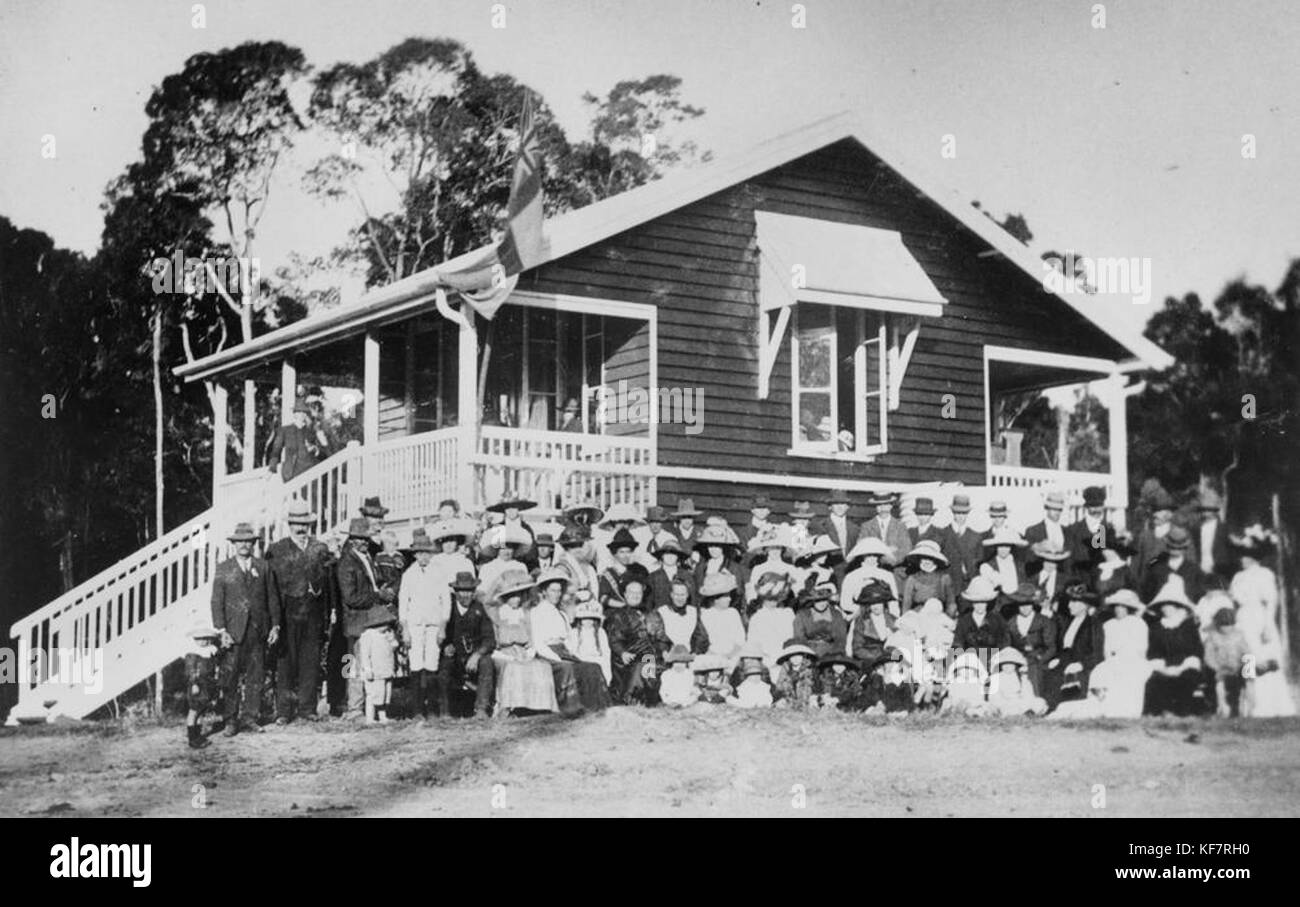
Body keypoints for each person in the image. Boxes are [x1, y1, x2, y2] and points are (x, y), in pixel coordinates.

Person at [211, 522, 282, 735]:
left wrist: (275, 626)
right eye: (240, 541)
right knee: (230, 677)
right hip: (233, 632)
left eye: (248, 541)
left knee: (255, 676)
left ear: (253, 544)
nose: (244, 545)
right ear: (234, 544)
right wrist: (221, 630)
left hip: (257, 630)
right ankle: (230, 720)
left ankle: (251, 717)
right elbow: (216, 601)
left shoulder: (263, 567)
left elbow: (273, 598)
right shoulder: (224, 568)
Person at [264, 502, 331, 724]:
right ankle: (284, 711)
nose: (301, 528)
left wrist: (321, 597)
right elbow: (270, 586)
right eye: (296, 524)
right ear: (290, 525)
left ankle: (307, 708)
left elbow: (328, 581)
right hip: (287, 612)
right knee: (285, 662)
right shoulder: (276, 549)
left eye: (304, 524)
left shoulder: (320, 548)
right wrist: (274, 619)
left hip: (312, 611)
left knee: (310, 661)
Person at [1229, 527, 1295, 717]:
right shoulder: (1238, 577)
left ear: (1254, 557)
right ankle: (1249, 704)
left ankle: (1269, 704)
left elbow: (1271, 602)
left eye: (1246, 556)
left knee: (1263, 657)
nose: (1242, 559)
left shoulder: (1265, 574)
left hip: (1259, 619)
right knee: (1247, 657)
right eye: (1241, 555)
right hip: (1243, 619)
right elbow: (1234, 600)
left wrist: (1267, 626)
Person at [337, 518, 396, 721]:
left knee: (367, 663)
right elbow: (350, 597)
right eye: (359, 539)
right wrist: (378, 596)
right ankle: (354, 708)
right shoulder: (346, 562)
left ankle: (368, 706)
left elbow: (372, 584)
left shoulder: (367, 558)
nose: (364, 542)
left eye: (365, 539)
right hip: (356, 620)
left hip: (369, 619)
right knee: (354, 665)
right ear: (351, 539)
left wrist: (383, 589)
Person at [532, 567, 603, 716]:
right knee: (566, 668)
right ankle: (571, 709)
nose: (557, 594)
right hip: (547, 654)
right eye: (553, 590)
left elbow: (569, 640)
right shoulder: (537, 612)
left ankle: (595, 708)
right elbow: (538, 642)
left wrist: (574, 656)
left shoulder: (562, 614)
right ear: (544, 591)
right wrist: (557, 658)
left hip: (564, 652)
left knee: (592, 667)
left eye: (559, 591)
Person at [399, 529, 451, 718]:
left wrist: (443, 627)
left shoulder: (439, 572)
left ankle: (432, 709)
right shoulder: (409, 574)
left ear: (431, 553)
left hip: (433, 625)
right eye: (419, 553)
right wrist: (405, 629)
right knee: (415, 665)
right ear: (414, 554)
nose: (423, 557)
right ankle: (417, 710)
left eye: (426, 553)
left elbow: (446, 601)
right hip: (414, 625)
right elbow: (403, 603)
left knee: (431, 665)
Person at [491, 570, 558, 716]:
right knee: (513, 668)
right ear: (505, 597)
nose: (516, 599)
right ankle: (509, 706)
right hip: (503, 654)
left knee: (542, 666)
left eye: (518, 595)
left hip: (523, 652)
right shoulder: (497, 614)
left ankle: (539, 706)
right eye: (512, 596)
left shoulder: (525, 614)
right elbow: (494, 641)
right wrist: (507, 654)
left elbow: (531, 637)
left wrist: (529, 651)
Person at [1144, 580, 1209, 717]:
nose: (1165, 608)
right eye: (1163, 605)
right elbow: (1153, 652)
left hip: (1186, 666)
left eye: (1169, 605)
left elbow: (1195, 651)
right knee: (1155, 680)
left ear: (1177, 606)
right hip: (1164, 666)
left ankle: (1181, 713)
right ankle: (1162, 713)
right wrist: (1164, 669)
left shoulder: (1189, 627)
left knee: (1186, 679)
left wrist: (1181, 668)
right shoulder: (1156, 628)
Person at [437, 572, 497, 718]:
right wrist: (445, 646)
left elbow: (489, 638)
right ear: (455, 592)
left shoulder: (479, 609)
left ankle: (481, 708)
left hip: (473, 656)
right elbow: (439, 633)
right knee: (445, 666)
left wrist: (477, 654)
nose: (466, 595)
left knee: (487, 662)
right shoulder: (447, 609)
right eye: (462, 591)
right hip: (455, 657)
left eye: (469, 591)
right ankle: (444, 711)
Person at [604, 576, 670, 705]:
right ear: (625, 594)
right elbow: (615, 640)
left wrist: (664, 650)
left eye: (638, 592)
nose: (635, 595)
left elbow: (662, 637)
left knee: (663, 664)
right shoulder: (618, 616)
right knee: (644, 665)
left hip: (654, 656)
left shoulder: (653, 614)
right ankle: (633, 700)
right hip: (631, 658)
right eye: (631, 592)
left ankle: (658, 700)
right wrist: (622, 653)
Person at [1086, 589, 1150, 718]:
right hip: (1114, 660)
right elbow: (1107, 651)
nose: (1119, 609)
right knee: (1099, 672)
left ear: (1129, 608)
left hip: (1134, 660)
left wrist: (1133, 661)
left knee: (1131, 674)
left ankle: (1126, 711)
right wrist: (1110, 662)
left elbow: (1142, 649)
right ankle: (1101, 709)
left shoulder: (1138, 623)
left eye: (1123, 606)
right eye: (1116, 606)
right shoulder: (1109, 625)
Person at [1044, 584, 1101, 709]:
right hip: (1064, 663)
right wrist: (1057, 659)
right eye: (1070, 601)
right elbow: (1064, 647)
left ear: (1084, 605)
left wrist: (1081, 664)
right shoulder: (1068, 622)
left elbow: (1097, 653)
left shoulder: (1093, 624)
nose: (1069, 605)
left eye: (1074, 602)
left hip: (1082, 669)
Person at [1005, 582, 1056, 698]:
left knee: (1034, 679)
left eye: (1028, 604)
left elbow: (1051, 647)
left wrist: (1040, 658)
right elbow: (1007, 646)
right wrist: (1014, 661)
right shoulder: (1011, 623)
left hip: (1038, 662)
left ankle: (1036, 700)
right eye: (1021, 605)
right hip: (1017, 662)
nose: (1025, 608)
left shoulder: (1043, 621)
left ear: (1033, 604)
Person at [1203, 605, 1250, 718]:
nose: (1227, 628)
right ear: (1218, 624)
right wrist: (1217, 668)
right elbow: (1208, 657)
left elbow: (1247, 652)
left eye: (1229, 625)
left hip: (1237, 668)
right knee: (1219, 682)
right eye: (1223, 625)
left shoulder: (1239, 635)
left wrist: (1245, 668)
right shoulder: (1212, 637)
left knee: (1246, 679)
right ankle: (1222, 707)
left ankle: (1243, 707)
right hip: (1219, 669)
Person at [746, 572, 795, 679]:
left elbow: (792, 637)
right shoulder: (757, 618)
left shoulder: (787, 614)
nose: (773, 602)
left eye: (776, 598)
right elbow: (753, 644)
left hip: (786, 660)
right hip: (767, 663)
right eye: (770, 598)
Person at [1141, 525, 1206, 604]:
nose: (1176, 549)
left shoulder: (1194, 570)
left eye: (1179, 547)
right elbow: (1146, 595)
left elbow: (1200, 597)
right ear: (1167, 546)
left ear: (1185, 548)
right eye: (1173, 547)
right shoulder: (1156, 567)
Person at [183, 626, 222, 749]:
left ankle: (197, 734)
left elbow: (214, 667)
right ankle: (192, 738)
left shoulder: (211, 651)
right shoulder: (192, 653)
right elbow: (191, 671)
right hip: (197, 685)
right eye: (199, 639)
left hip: (206, 684)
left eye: (205, 638)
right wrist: (194, 683)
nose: (202, 641)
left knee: (200, 710)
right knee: (193, 710)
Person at [841, 537, 899, 618]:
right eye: (868, 555)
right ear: (862, 555)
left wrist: (894, 618)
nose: (872, 558)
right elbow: (845, 603)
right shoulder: (852, 576)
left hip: (884, 617)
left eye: (875, 555)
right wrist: (864, 609)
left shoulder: (887, 575)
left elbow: (894, 603)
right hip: (860, 617)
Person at [860, 492, 909, 587]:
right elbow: (862, 548)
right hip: (872, 571)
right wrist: (887, 550)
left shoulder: (900, 526)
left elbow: (906, 549)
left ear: (891, 506)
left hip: (895, 572)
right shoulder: (866, 527)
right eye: (879, 505)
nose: (882, 507)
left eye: (885, 504)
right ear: (875, 507)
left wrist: (891, 559)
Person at [698, 573, 746, 668]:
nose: (729, 599)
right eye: (726, 596)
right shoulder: (706, 615)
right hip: (712, 656)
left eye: (729, 595)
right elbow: (705, 641)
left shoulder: (733, 613)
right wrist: (715, 656)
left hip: (733, 656)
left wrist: (730, 655)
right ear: (716, 599)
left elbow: (740, 640)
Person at [1067, 485, 1117, 574]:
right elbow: (1069, 562)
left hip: (1102, 580)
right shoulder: (1074, 530)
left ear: (1103, 506)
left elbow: (1113, 562)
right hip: (1079, 579)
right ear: (1086, 507)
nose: (1096, 510)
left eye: (1099, 506)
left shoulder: (1109, 530)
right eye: (1093, 506)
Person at [359, 613, 400, 723]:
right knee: (373, 695)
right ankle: (370, 718)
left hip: (386, 670)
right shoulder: (368, 636)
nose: (387, 627)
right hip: (374, 672)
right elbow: (365, 654)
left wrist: (392, 639)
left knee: (385, 695)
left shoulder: (387, 634)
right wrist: (367, 669)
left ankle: (383, 716)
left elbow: (394, 647)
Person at [792, 582, 849, 659]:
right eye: (818, 600)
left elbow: (841, 639)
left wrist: (831, 653)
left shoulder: (836, 614)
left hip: (832, 654)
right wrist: (811, 653)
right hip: (809, 654)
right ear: (813, 601)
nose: (822, 603)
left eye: (824, 600)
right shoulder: (802, 615)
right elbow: (799, 639)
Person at [267, 401, 322, 482]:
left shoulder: (310, 431)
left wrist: (315, 449)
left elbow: (319, 450)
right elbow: (276, 451)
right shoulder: (285, 430)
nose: (302, 414)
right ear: (294, 414)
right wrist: (271, 469)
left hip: (310, 472)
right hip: (292, 473)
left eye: (304, 412)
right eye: (298, 412)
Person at [568, 600, 613, 697]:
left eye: (591, 618)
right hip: (581, 659)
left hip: (597, 659)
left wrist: (604, 661)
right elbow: (572, 650)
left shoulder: (600, 632)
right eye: (584, 619)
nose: (588, 621)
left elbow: (606, 650)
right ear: (580, 620)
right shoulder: (575, 632)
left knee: (601, 666)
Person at [850, 581, 898, 672]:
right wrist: (877, 658)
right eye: (872, 603)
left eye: (879, 603)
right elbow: (857, 649)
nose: (876, 607)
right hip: (870, 663)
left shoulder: (893, 620)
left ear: (884, 603)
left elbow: (900, 644)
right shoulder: (861, 622)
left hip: (891, 662)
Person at [952, 577, 1009, 653]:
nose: (979, 606)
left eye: (983, 602)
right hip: (970, 658)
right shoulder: (964, 621)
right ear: (972, 602)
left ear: (988, 602)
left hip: (994, 657)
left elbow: (1005, 642)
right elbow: (957, 642)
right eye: (976, 602)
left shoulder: (997, 619)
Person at [899, 540, 956, 616]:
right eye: (923, 558)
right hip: (918, 616)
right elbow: (906, 604)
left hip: (938, 615)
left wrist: (948, 617)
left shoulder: (944, 578)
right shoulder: (912, 579)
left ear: (935, 560)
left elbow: (951, 603)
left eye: (930, 558)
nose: (926, 562)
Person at [986, 647, 1047, 716]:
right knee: (998, 708)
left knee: (1039, 702)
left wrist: (1024, 703)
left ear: (1015, 665)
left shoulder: (1021, 677)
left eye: (1010, 663)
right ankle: (1016, 713)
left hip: (1020, 703)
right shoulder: (997, 678)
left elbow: (1028, 694)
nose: (1007, 666)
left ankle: (1027, 712)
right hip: (1005, 704)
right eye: (1004, 663)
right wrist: (1004, 704)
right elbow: (994, 697)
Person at [979, 528, 1029, 611]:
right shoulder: (987, 567)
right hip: (998, 610)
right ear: (996, 546)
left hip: (1018, 609)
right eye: (1000, 546)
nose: (1003, 549)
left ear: (1011, 546)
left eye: (1006, 546)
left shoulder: (1020, 565)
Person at [657, 575, 710, 654]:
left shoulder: (693, 612)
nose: (680, 598)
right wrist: (665, 652)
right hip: (668, 655)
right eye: (676, 594)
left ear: (687, 595)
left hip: (690, 655)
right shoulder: (661, 612)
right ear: (671, 595)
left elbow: (701, 637)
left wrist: (695, 652)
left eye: (682, 595)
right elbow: (658, 638)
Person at [943, 494, 984, 590]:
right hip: (948, 587)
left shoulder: (976, 537)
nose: (961, 516)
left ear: (968, 513)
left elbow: (979, 564)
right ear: (952, 512)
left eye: (964, 513)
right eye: (958, 512)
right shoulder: (942, 534)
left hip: (969, 587)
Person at [1194, 489, 1232, 581]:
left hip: (1220, 572)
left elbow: (1230, 552)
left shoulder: (1224, 528)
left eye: (1209, 508)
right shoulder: (1196, 528)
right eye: (1203, 508)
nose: (1206, 511)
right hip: (1200, 572)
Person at [647, 536, 694, 609]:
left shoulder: (687, 576)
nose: (670, 556)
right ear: (662, 556)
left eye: (673, 554)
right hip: (659, 614)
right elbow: (648, 603)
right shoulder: (653, 577)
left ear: (678, 557)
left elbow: (693, 601)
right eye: (667, 554)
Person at [813, 489, 861, 558]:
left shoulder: (855, 528)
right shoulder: (820, 526)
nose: (839, 507)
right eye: (836, 503)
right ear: (830, 507)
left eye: (842, 503)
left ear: (847, 506)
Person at [773, 639, 816, 709]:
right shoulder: (784, 671)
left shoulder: (811, 671)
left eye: (798, 655)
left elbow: (817, 688)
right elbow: (778, 690)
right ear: (788, 657)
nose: (796, 658)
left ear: (803, 656)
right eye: (792, 656)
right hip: (789, 704)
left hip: (807, 703)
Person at [1023, 491, 1068, 557]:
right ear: (1047, 508)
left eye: (1059, 509)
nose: (1057, 512)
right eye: (1054, 508)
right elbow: (1027, 557)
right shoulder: (1033, 531)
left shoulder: (1067, 532)